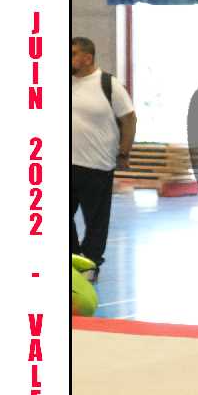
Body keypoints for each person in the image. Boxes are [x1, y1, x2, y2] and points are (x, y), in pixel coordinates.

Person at [71, 37, 136, 280]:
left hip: (97, 166)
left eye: (72, 54)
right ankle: (74, 258)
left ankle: (90, 264)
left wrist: (124, 152)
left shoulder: (109, 84)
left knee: (96, 222)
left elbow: (129, 119)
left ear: (87, 58)